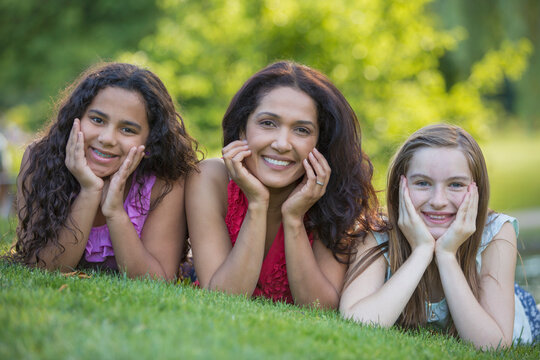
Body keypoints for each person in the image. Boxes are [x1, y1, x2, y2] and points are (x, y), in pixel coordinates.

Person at [186, 61, 381, 308]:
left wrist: (293, 218)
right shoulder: (210, 179)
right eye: (268, 123)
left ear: (320, 144)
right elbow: (223, 297)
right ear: (243, 130)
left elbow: (319, 307)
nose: (282, 143)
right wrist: (257, 204)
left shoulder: (335, 195)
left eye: (301, 130)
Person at [340, 124, 540, 348]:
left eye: (455, 184)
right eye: (423, 183)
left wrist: (446, 255)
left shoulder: (496, 233)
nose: (438, 201)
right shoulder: (376, 232)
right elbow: (356, 324)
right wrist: (422, 251)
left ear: (477, 191)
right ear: (400, 187)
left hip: (517, 311)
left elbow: (492, 345)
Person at [11, 63, 199, 281]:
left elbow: (157, 281)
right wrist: (90, 191)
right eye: (97, 120)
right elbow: (43, 269)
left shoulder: (165, 181)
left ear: (151, 140)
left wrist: (115, 212)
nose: (107, 138)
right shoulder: (40, 159)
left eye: (128, 130)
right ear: (76, 117)